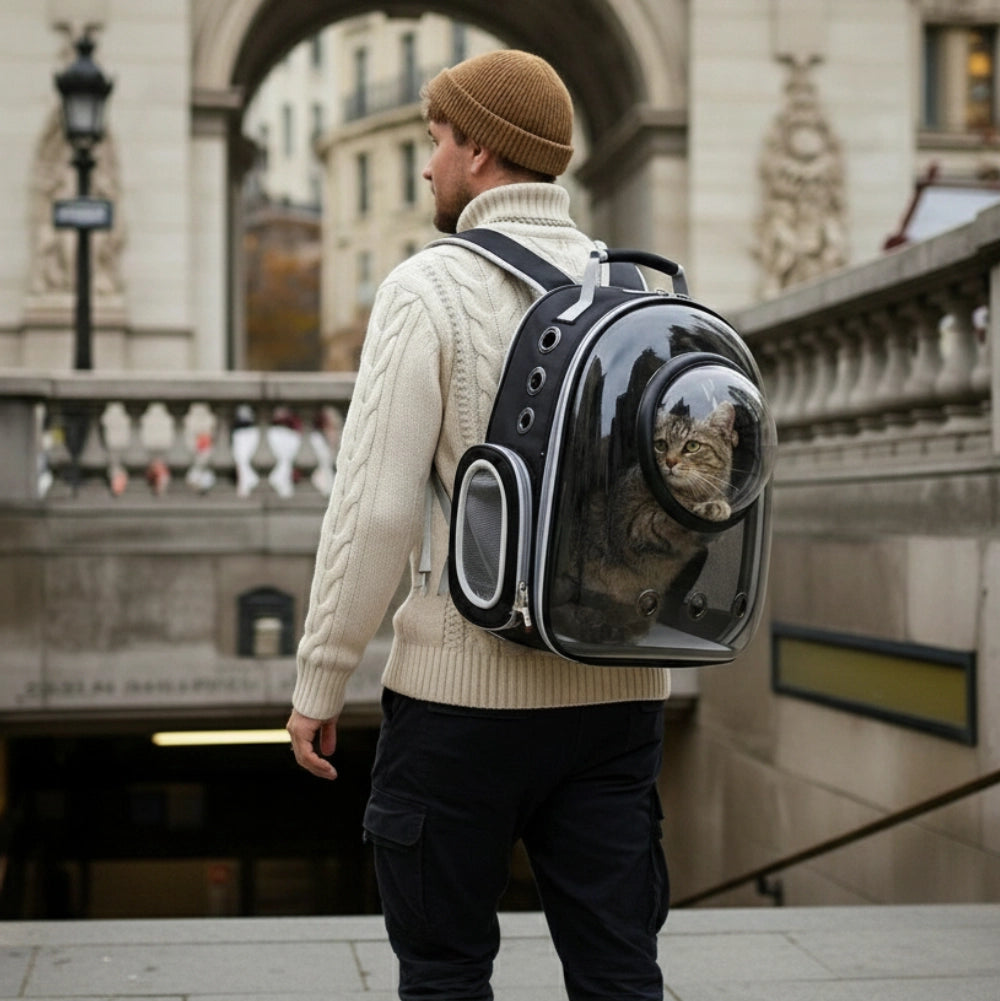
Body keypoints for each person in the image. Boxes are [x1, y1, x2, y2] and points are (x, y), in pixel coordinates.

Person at [288, 49, 671, 1001]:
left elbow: (374, 508)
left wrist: (321, 676)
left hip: (462, 702)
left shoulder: (429, 289)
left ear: (483, 152)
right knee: (621, 971)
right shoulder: (644, 292)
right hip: (618, 693)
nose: (426, 166)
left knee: (446, 968)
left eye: (435, 143)